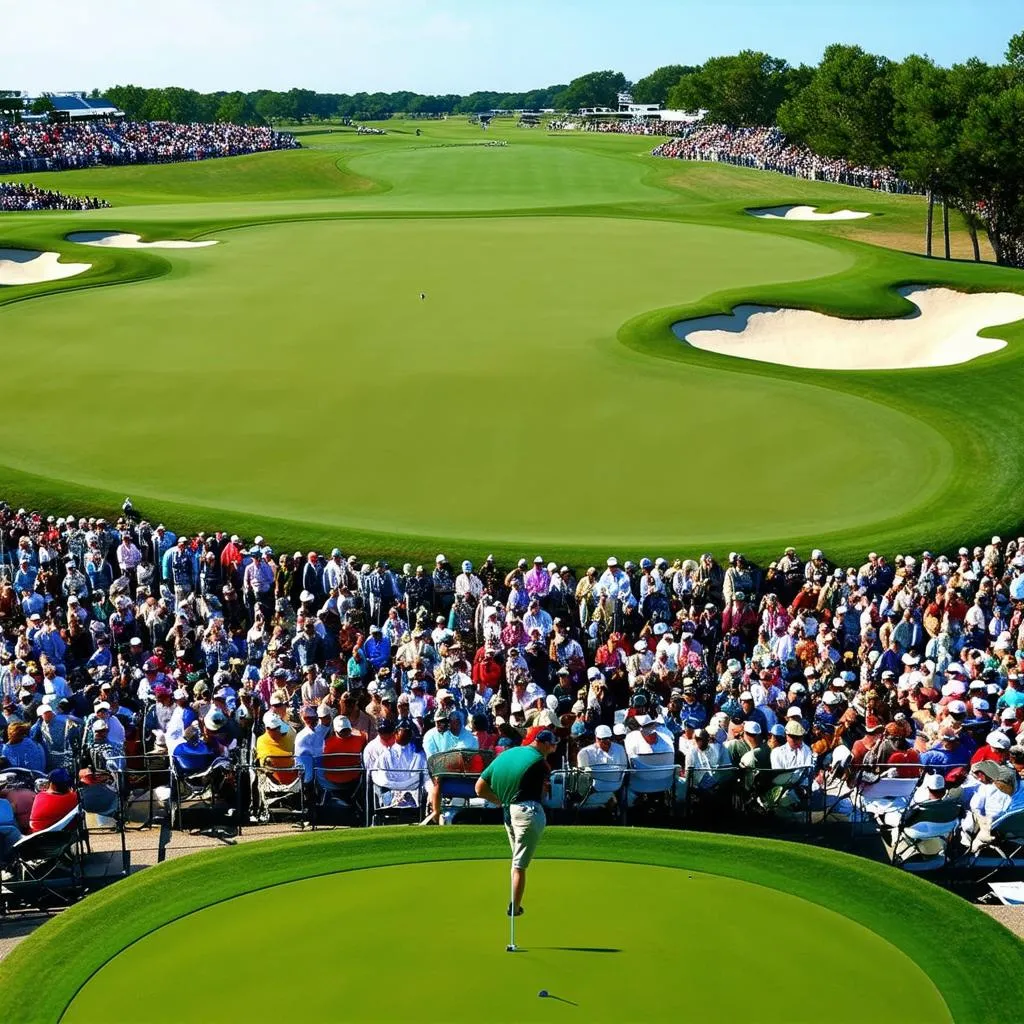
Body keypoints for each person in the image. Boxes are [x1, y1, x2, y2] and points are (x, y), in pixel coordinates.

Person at [475, 729, 558, 918]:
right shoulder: (540, 763)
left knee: (516, 862)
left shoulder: (507, 754)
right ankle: (515, 906)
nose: (554, 747)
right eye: (552, 743)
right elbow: (543, 794)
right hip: (527, 812)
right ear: (543, 743)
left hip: (508, 813)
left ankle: (516, 904)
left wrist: (499, 801)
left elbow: (479, 788)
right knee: (520, 865)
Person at [29, 767, 79, 832]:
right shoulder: (74, 798)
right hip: (62, 835)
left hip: (37, 836)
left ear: (52, 784)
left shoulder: (39, 796)